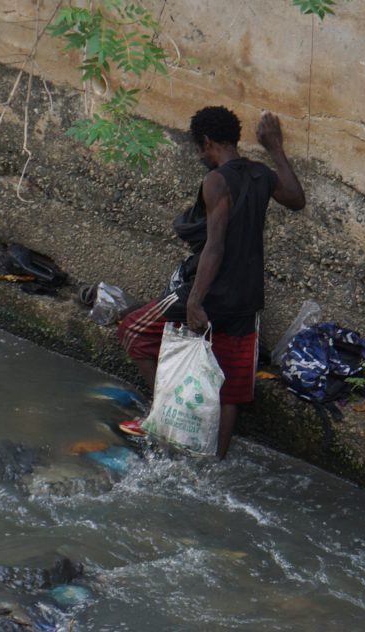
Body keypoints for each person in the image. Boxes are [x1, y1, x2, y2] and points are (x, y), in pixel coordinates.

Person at [117, 106, 305, 458]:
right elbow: (296, 199)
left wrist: (194, 300)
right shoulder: (261, 173)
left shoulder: (216, 181)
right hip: (246, 298)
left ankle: (162, 415)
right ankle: (215, 462)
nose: (200, 157)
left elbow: (214, 246)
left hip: (210, 292)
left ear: (206, 144)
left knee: (134, 333)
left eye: (198, 150)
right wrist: (275, 148)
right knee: (230, 389)